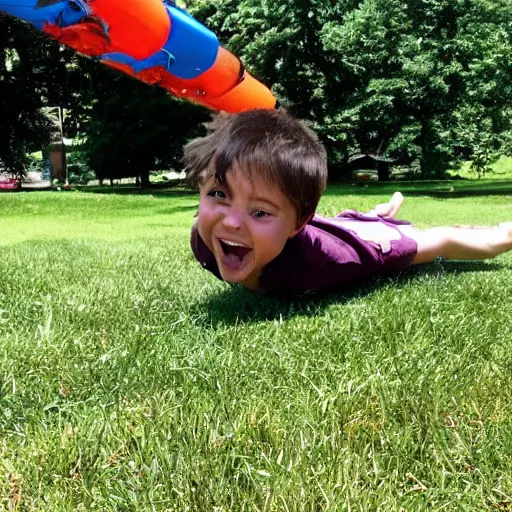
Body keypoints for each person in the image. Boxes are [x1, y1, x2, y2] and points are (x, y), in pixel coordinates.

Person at [184, 108, 512, 296]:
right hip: (321, 229)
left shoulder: (326, 265)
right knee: (347, 224)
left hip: (351, 243)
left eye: (259, 211)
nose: (230, 222)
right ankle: (377, 214)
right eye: (218, 194)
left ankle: (503, 235)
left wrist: (500, 239)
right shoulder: (204, 238)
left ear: (297, 225)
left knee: (426, 241)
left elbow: (440, 242)